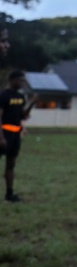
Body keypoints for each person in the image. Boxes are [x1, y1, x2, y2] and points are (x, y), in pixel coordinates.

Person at [0, 71, 34, 202]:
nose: (22, 83)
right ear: (12, 80)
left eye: (23, 80)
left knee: (11, 165)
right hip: (4, 133)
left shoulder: (20, 97)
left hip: (15, 135)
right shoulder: (3, 95)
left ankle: (9, 194)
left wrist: (31, 103)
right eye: (20, 80)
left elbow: (23, 115)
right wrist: (1, 137)